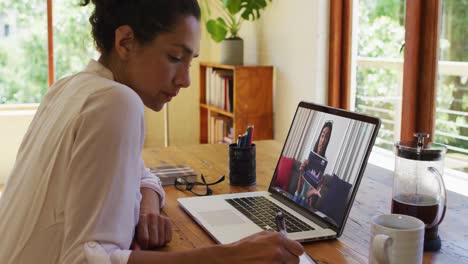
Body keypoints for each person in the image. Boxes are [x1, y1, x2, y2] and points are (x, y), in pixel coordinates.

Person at [0, 1, 304, 263]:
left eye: (190, 61)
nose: (185, 80)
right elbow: (85, 260)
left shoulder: (69, 87)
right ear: (126, 42)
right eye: (174, 58)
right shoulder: (117, 102)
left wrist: (147, 207)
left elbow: (140, 172)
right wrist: (232, 256)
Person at [293, 121, 333, 208]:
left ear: (328, 141)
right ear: (319, 136)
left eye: (326, 137)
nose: (322, 140)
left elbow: (308, 194)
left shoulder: (323, 161)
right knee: (296, 198)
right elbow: (299, 190)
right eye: (322, 135)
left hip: (306, 200)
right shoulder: (310, 156)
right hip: (298, 195)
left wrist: (314, 191)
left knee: (304, 202)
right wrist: (301, 172)